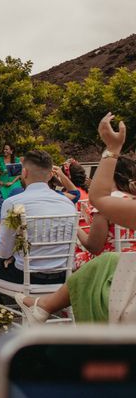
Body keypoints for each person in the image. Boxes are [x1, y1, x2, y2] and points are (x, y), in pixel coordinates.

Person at [17, 113, 136, 325]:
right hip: (128, 263)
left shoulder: (114, 205)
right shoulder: (129, 200)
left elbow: (94, 245)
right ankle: (47, 306)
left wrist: (112, 149)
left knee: (83, 260)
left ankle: (49, 306)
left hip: (116, 270)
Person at [0, 150, 77, 292]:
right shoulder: (67, 203)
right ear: (51, 174)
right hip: (63, 277)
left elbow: (4, 252)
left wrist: (14, 256)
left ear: (24, 172)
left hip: (26, 276)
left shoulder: (13, 203)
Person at [75, 155, 136, 268]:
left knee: (75, 259)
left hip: (110, 266)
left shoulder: (106, 205)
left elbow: (94, 247)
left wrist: (75, 227)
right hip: (132, 264)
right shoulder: (132, 201)